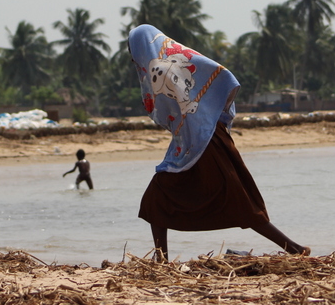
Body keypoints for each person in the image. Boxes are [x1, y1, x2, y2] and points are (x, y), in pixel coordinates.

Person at [128, 24, 309, 261]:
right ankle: (161, 258)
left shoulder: (177, 61)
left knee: (239, 201)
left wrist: (211, 116)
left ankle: (295, 249)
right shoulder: (156, 69)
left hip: (209, 141)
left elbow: (221, 75)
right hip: (192, 143)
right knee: (157, 198)